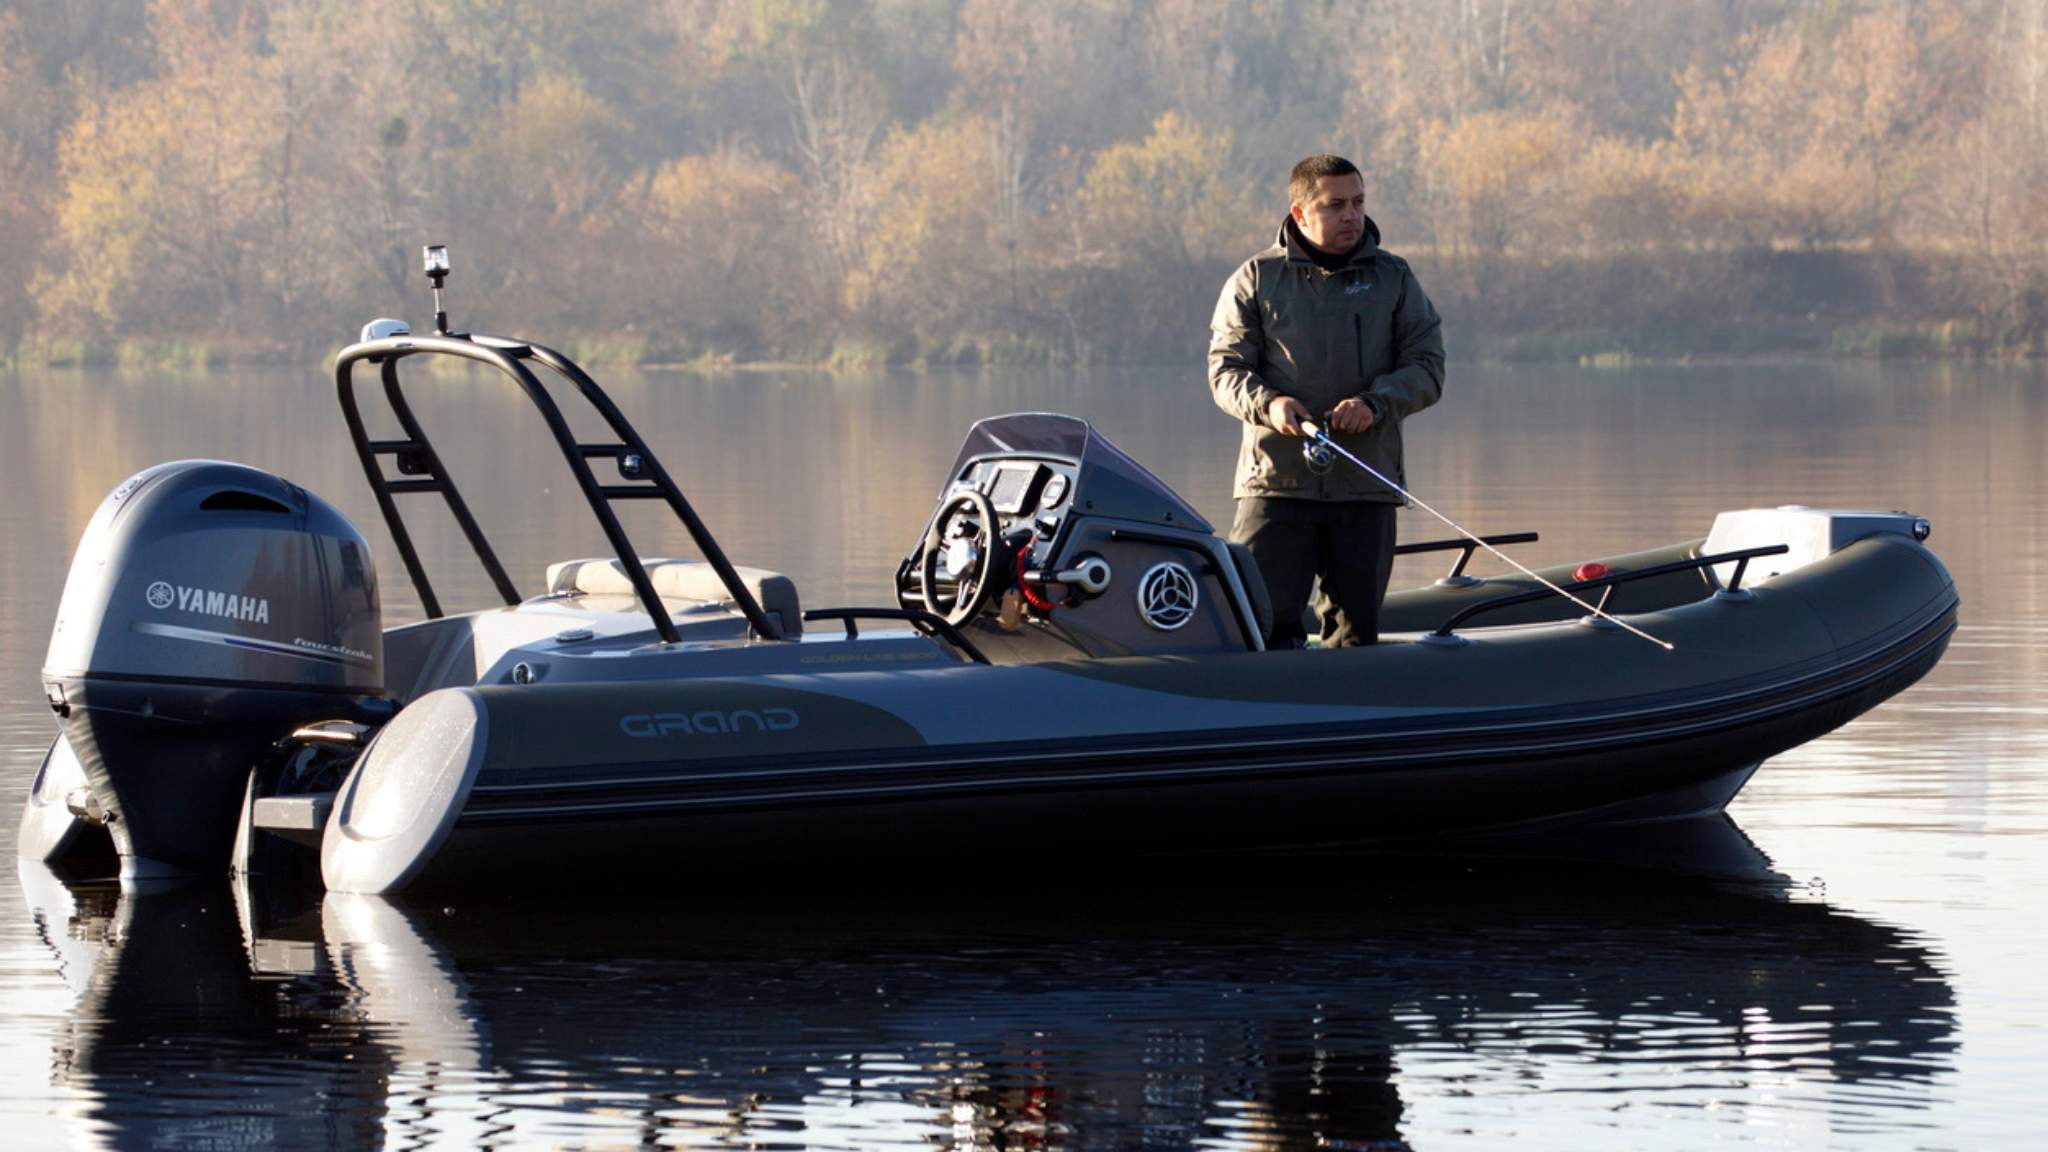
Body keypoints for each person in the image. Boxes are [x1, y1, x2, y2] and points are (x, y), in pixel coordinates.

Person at [1209, 153, 1444, 648]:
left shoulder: (1394, 278)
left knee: (1357, 638)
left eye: (1358, 202)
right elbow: (1225, 372)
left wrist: (1375, 404)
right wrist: (1270, 405)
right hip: (1275, 485)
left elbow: (1427, 368)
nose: (1351, 215)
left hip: (1365, 487)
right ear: (1300, 214)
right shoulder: (1255, 279)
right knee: (1259, 630)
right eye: (1335, 205)